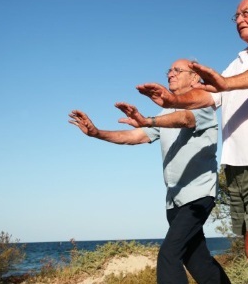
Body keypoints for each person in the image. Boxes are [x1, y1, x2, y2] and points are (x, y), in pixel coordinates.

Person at [136, 0, 248, 284]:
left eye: (246, 13)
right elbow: (208, 94)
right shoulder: (239, 60)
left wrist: (226, 84)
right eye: (236, 16)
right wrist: (170, 101)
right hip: (238, 165)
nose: (239, 19)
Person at [68, 58, 230, 284]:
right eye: (169, 70)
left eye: (177, 70)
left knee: (168, 255)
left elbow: (184, 119)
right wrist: (97, 133)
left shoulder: (201, 105)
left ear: (195, 78)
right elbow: (134, 137)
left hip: (198, 197)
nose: (170, 73)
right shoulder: (166, 113)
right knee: (199, 263)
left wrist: (148, 120)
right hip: (174, 202)